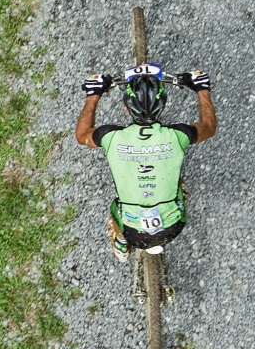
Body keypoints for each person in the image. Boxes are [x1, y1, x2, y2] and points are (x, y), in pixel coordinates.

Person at [75, 65, 216, 261]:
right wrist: (202, 88)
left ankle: (122, 244)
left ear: (126, 108)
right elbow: (208, 127)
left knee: (115, 207)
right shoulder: (179, 134)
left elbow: (82, 135)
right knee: (178, 187)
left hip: (134, 232)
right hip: (173, 228)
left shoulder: (110, 136)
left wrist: (94, 94)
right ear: (163, 105)